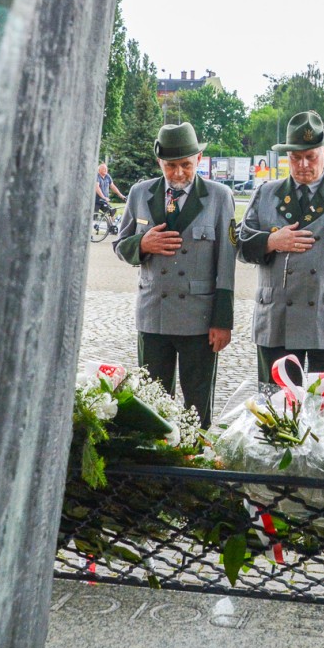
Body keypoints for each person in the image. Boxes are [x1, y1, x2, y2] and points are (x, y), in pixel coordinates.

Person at [237, 111, 324, 385]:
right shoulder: (266, 193)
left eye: (311, 156)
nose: (303, 164)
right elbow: (240, 244)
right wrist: (270, 241)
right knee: (277, 406)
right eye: (295, 158)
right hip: (277, 318)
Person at [111, 123, 235, 425]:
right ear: (159, 163)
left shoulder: (219, 197)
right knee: (152, 404)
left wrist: (222, 321)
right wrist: (142, 243)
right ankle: (156, 466)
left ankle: (196, 462)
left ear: (199, 159)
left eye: (186, 165)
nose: (178, 174)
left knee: (197, 403)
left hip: (199, 319)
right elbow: (119, 244)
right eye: (170, 166)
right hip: (154, 314)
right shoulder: (140, 193)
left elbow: (226, 265)